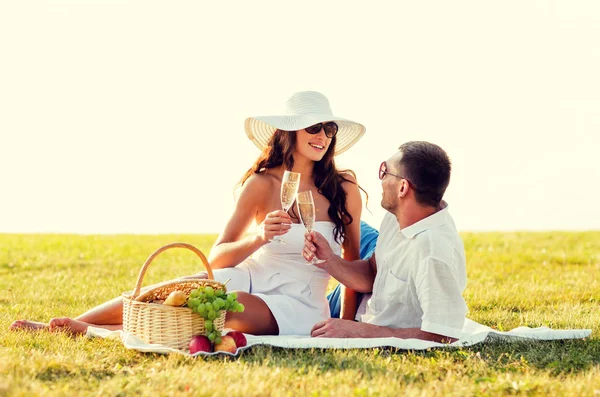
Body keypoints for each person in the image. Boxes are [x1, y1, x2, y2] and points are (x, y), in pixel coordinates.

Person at [10, 91, 366, 336]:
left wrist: (347, 326)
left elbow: (353, 266)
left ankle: (99, 330)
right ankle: (75, 324)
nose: (323, 136)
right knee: (175, 290)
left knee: (223, 307)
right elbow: (219, 255)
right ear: (291, 131)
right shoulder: (261, 184)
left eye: (329, 129)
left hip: (298, 303)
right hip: (247, 277)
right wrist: (260, 237)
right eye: (314, 127)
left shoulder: (344, 189)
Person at [304, 141, 468, 343]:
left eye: (385, 171)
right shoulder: (397, 216)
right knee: (343, 220)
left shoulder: (432, 252)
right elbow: (373, 272)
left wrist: (359, 331)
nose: (380, 179)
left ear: (402, 188)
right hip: (371, 300)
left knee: (302, 316)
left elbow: (442, 334)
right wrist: (329, 260)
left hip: (368, 315)